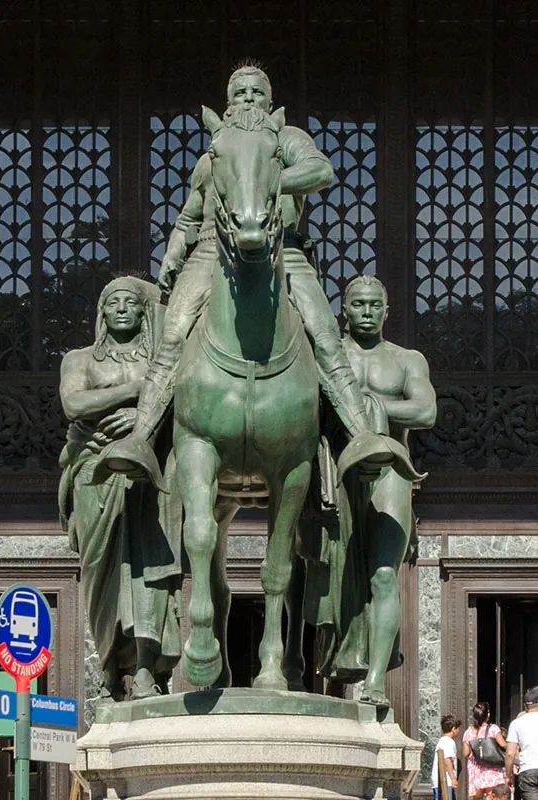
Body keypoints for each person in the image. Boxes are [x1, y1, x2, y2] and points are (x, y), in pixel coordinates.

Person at [101, 63, 397, 484]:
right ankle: (140, 438)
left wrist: (262, 179)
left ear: (271, 102)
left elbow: (321, 171)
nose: (248, 99)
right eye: (240, 93)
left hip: (282, 250)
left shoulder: (286, 138)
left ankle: (360, 435)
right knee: (172, 337)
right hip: (210, 251)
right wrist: (173, 249)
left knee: (325, 336)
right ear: (226, 104)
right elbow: (189, 216)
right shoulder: (214, 151)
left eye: (257, 92)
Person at [302, 275, 436, 705]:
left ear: (387, 311)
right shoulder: (325, 355)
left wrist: (369, 406)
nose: (366, 312)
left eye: (374, 305)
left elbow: (425, 410)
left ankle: (375, 681)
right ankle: (328, 675)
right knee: (333, 577)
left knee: (383, 574)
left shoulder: (406, 360)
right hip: (337, 473)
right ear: (344, 310)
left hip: (390, 468)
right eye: (358, 304)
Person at [58, 276, 183, 700]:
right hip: (94, 471)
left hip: (150, 473)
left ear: (144, 312)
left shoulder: (165, 361)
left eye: (131, 302)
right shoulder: (80, 360)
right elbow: (74, 404)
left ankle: (147, 667)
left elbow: (187, 405)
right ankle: (110, 663)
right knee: (100, 570)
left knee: (151, 568)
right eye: (113, 303)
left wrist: (140, 418)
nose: (123, 309)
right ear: (102, 312)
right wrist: (139, 391)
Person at [462, 701, 507, 798]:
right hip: (491, 767)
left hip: (476, 769)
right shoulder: (493, 729)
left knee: (477, 797)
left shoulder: (468, 732)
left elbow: (465, 753)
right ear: (488, 715)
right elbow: (503, 744)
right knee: (491, 795)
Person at [506, 686, 538, 800]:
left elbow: (510, 753)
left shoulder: (516, 723)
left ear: (525, 706)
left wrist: (508, 775)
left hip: (528, 770)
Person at [432, 714, 462, 800]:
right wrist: (453, 778)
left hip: (439, 781)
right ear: (453, 729)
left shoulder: (442, 741)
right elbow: (447, 760)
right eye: (458, 729)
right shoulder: (448, 742)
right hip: (445, 781)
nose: (458, 731)